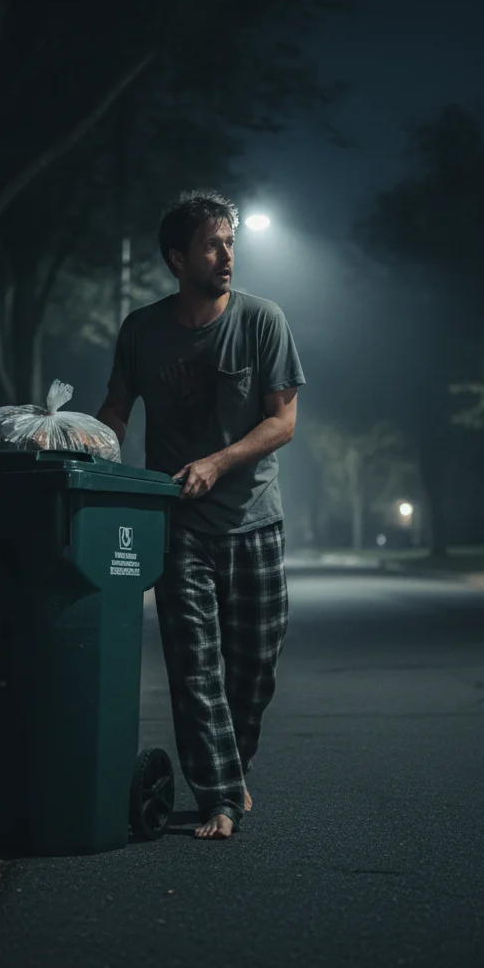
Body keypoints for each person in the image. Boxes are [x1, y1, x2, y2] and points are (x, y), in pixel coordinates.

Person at [96, 189, 305, 840]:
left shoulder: (262, 319)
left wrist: (217, 462)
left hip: (254, 520)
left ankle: (228, 771)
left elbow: (284, 421)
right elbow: (116, 413)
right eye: (212, 244)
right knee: (195, 670)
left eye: (231, 242)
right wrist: (79, 445)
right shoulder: (142, 331)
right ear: (176, 257)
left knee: (254, 670)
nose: (227, 256)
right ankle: (218, 797)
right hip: (178, 524)